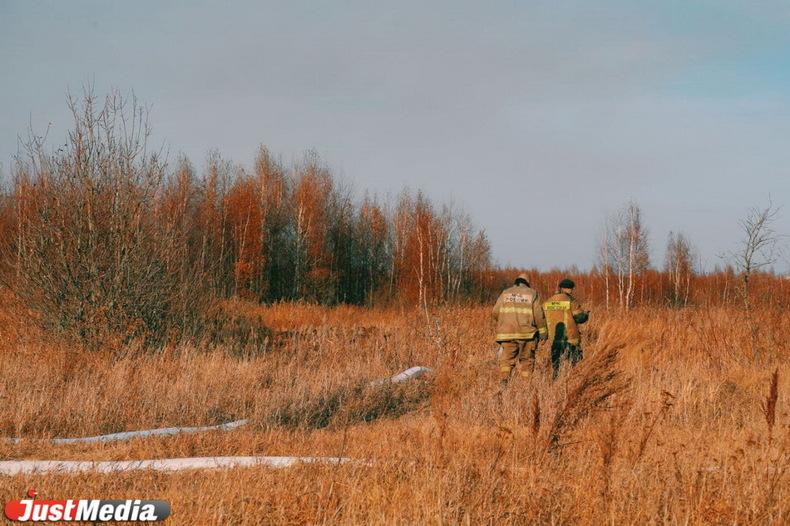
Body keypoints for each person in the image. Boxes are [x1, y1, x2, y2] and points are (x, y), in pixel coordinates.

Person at [492, 273, 548, 388]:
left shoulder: (505, 293)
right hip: (527, 335)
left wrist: (505, 322)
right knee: (527, 361)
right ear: (527, 284)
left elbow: (495, 312)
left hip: (507, 335)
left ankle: (504, 381)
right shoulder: (532, 293)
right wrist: (543, 332)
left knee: (506, 361)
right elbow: (539, 314)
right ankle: (526, 387)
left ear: (516, 282)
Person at [543, 278, 589, 379]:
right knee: (576, 366)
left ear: (560, 288)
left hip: (554, 338)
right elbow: (579, 318)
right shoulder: (570, 300)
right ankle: (574, 383)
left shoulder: (548, 301)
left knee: (556, 367)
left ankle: (555, 384)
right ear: (570, 289)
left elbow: (543, 320)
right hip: (570, 338)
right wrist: (586, 315)